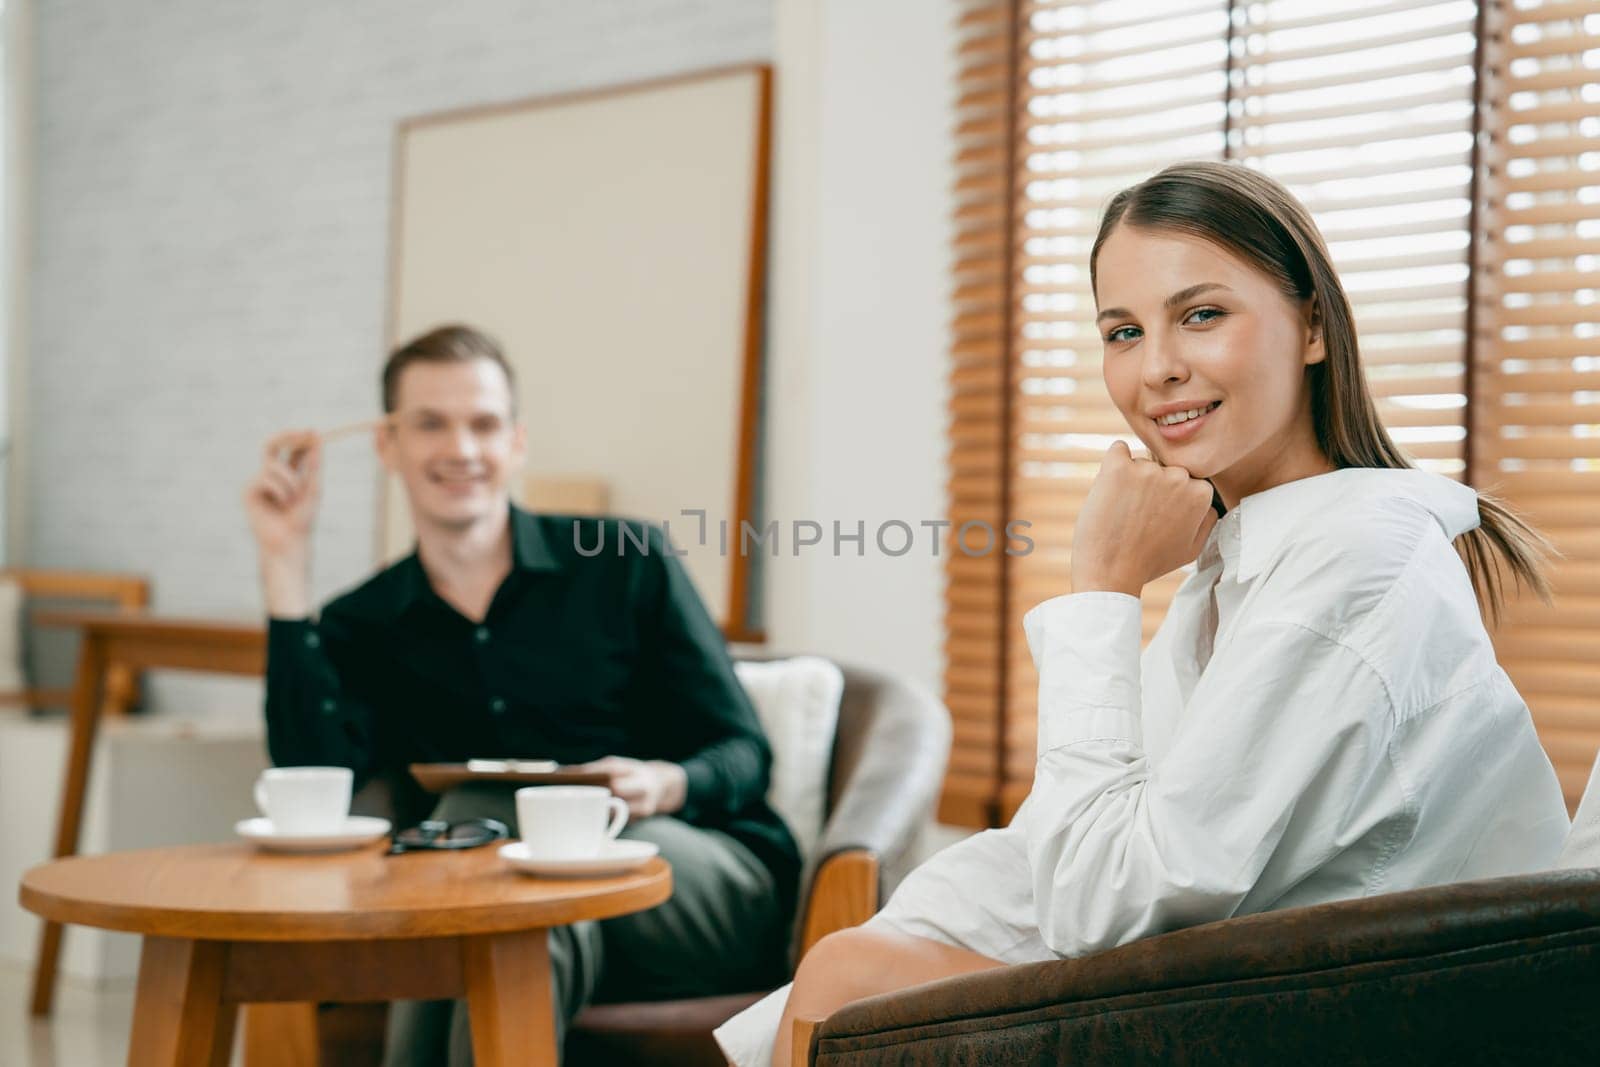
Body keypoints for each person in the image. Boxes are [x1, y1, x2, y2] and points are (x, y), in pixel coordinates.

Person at [714, 160, 1572, 1066]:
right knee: (848, 969)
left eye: (1201, 314)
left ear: (1314, 324)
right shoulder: (1243, 566)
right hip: (1250, 991)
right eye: (1123, 331)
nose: (1157, 368)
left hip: (1349, 1022)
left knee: (851, 981)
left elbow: (1106, 901)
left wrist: (1104, 585)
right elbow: (1050, 851)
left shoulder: (1352, 560)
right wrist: (879, 942)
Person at [243, 324, 800, 1066]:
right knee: (511, 908)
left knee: (478, 834)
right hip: (505, 895)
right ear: (387, 445)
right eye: (431, 423)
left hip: (693, 887)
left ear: (517, 440)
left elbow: (743, 754)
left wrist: (662, 782)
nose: (462, 449)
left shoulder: (626, 563)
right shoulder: (362, 623)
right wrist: (285, 565)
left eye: (483, 423)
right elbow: (313, 782)